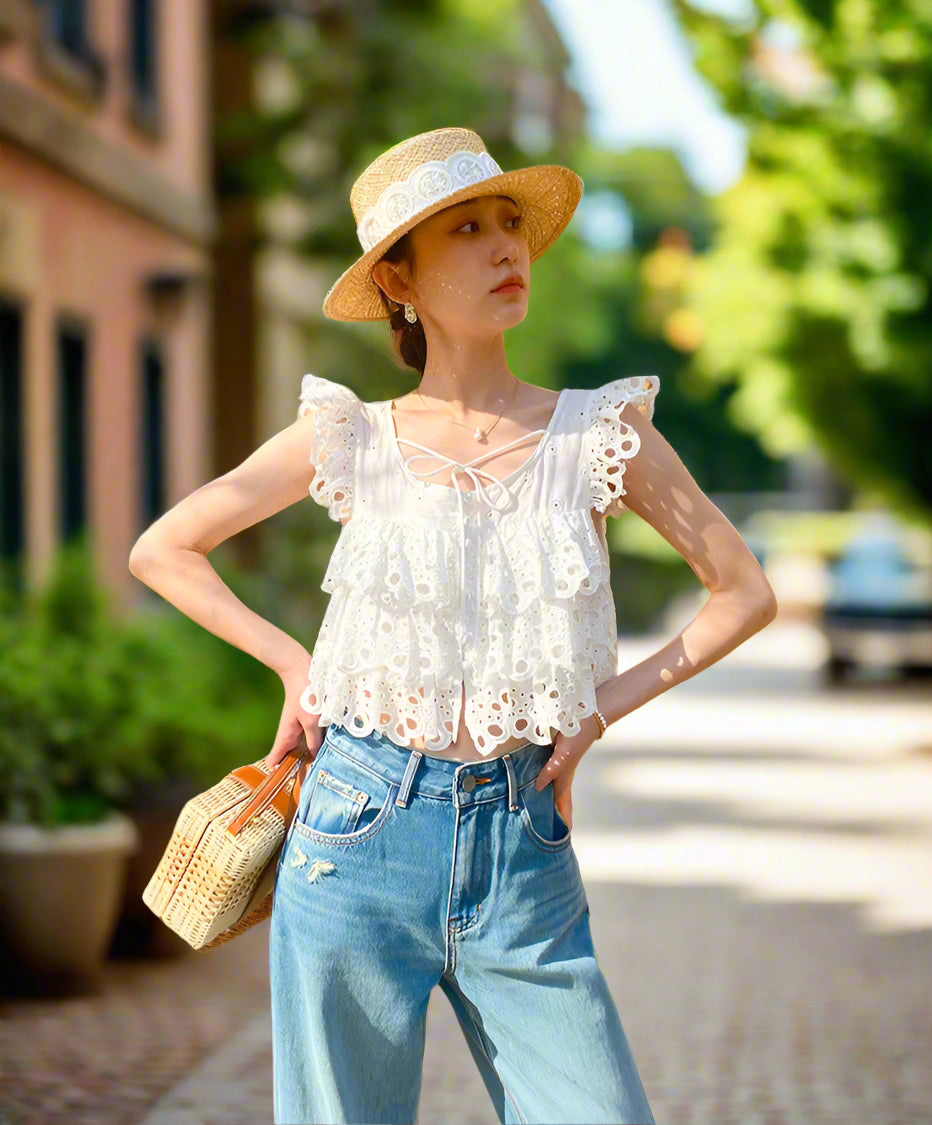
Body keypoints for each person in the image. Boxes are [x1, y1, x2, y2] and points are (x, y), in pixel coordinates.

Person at [129, 127, 777, 1124]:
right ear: (399, 279)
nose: (505, 246)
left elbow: (741, 591)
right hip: (354, 831)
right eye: (466, 230)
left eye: (509, 223)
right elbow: (165, 547)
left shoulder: (599, 433)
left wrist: (598, 708)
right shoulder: (349, 435)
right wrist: (295, 665)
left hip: (523, 843)